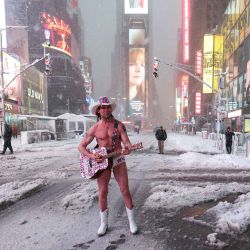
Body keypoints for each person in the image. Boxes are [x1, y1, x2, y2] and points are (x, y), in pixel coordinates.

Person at [78, 96, 138, 236]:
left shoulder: (119, 125)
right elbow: (81, 146)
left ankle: (132, 222)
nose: (105, 109)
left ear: (111, 109)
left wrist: (128, 148)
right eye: (103, 107)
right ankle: (103, 224)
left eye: (108, 107)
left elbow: (127, 143)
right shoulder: (95, 128)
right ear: (98, 111)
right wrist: (92, 156)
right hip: (102, 162)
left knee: (124, 190)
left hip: (118, 159)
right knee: (103, 192)